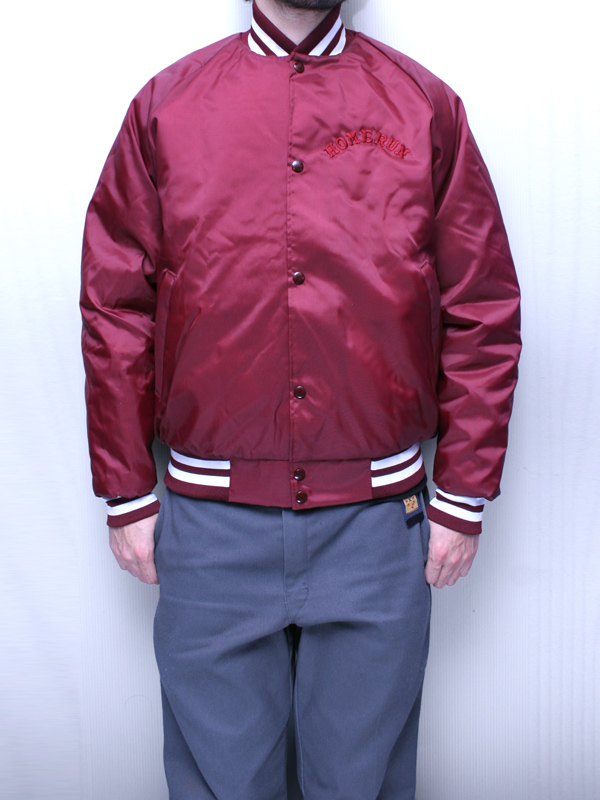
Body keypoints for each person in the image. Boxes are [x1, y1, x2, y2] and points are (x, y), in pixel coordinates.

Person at [80, 0, 521, 797]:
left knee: (361, 784)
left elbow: (482, 305)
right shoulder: (166, 107)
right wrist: (126, 490)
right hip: (209, 525)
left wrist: (462, 496)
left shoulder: (424, 107)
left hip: (378, 523)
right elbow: (116, 305)